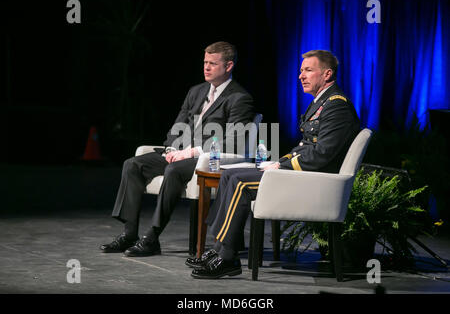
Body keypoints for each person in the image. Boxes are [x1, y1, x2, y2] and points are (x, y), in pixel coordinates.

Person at [186, 50, 361, 279]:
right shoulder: (322, 103)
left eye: (308, 70)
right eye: (301, 70)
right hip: (304, 174)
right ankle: (219, 247)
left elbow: (322, 155)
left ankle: (227, 257)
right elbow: (305, 148)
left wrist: (282, 167)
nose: (301, 76)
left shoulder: (337, 105)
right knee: (229, 175)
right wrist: (280, 162)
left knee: (239, 182)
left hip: (316, 182)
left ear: (327, 74)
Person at [100, 41, 255, 257]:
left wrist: (191, 152)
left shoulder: (239, 98)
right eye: (205, 62)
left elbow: (233, 141)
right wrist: (170, 149)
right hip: (180, 154)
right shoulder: (196, 91)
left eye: (212, 63)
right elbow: (178, 126)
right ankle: (129, 233)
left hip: (208, 158)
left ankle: (152, 237)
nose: (206, 67)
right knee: (132, 165)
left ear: (228, 66)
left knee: (173, 171)